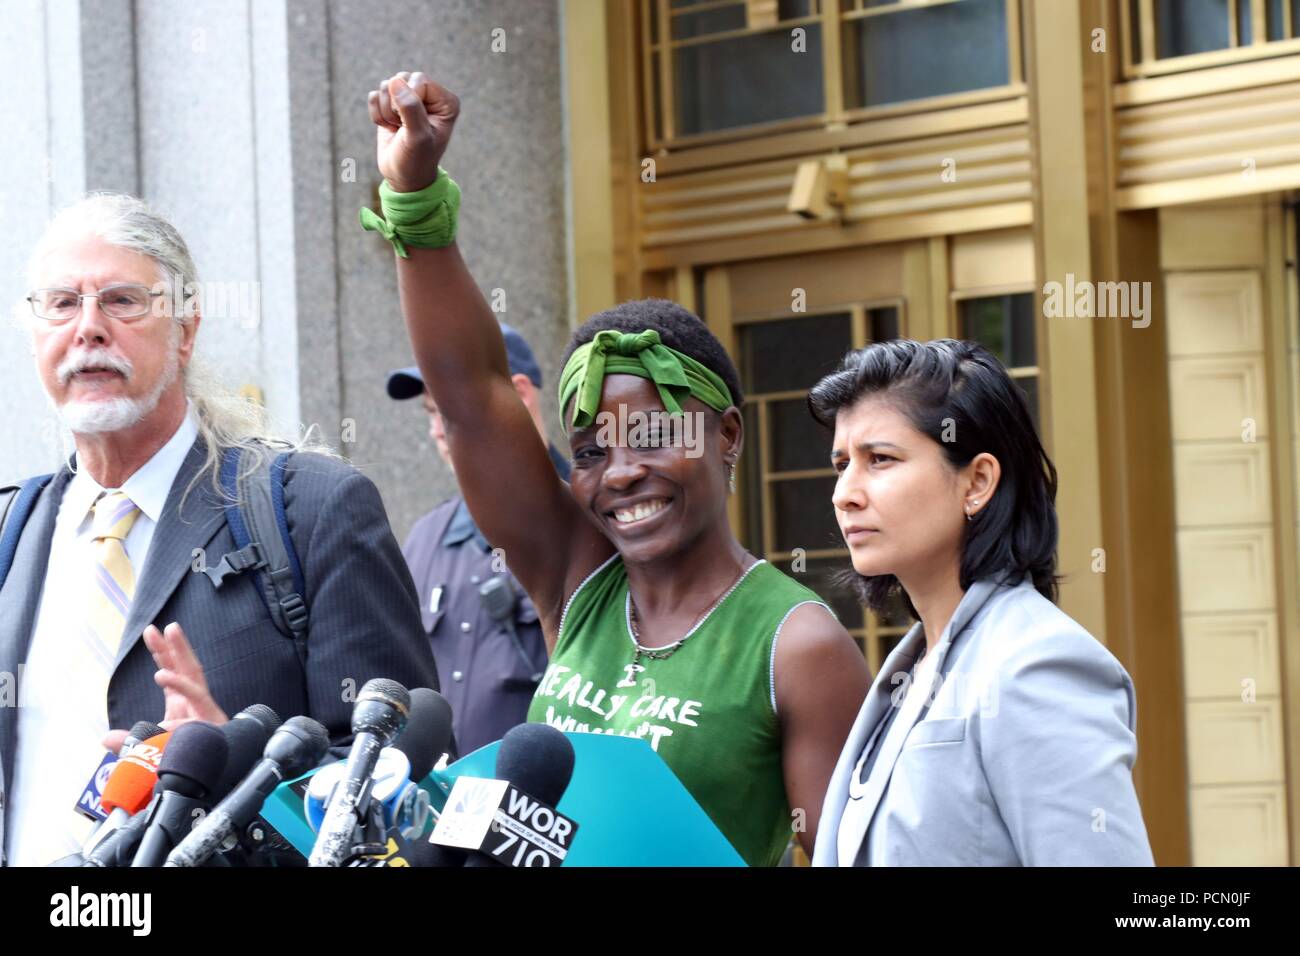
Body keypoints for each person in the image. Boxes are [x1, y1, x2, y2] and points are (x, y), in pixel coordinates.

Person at [360, 70, 870, 866]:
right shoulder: (579, 578)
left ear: (727, 435)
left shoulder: (796, 645)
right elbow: (469, 399)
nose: (620, 473)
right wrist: (415, 197)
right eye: (592, 449)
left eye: (652, 435)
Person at [0, 192, 438, 866]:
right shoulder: (12, 531)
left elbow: (398, 791)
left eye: (122, 301)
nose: (87, 328)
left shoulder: (311, 507)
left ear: (186, 329)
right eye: (61, 304)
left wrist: (230, 773)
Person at [807, 338, 1155, 866]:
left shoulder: (1038, 665)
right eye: (841, 465)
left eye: (880, 459)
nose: (845, 493)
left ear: (978, 481)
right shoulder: (913, 665)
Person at [387, 323, 566, 754]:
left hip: (547, 809)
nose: (436, 431)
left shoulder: (590, 525)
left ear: (520, 395)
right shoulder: (427, 536)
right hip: (438, 812)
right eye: (430, 412)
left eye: (447, 408)